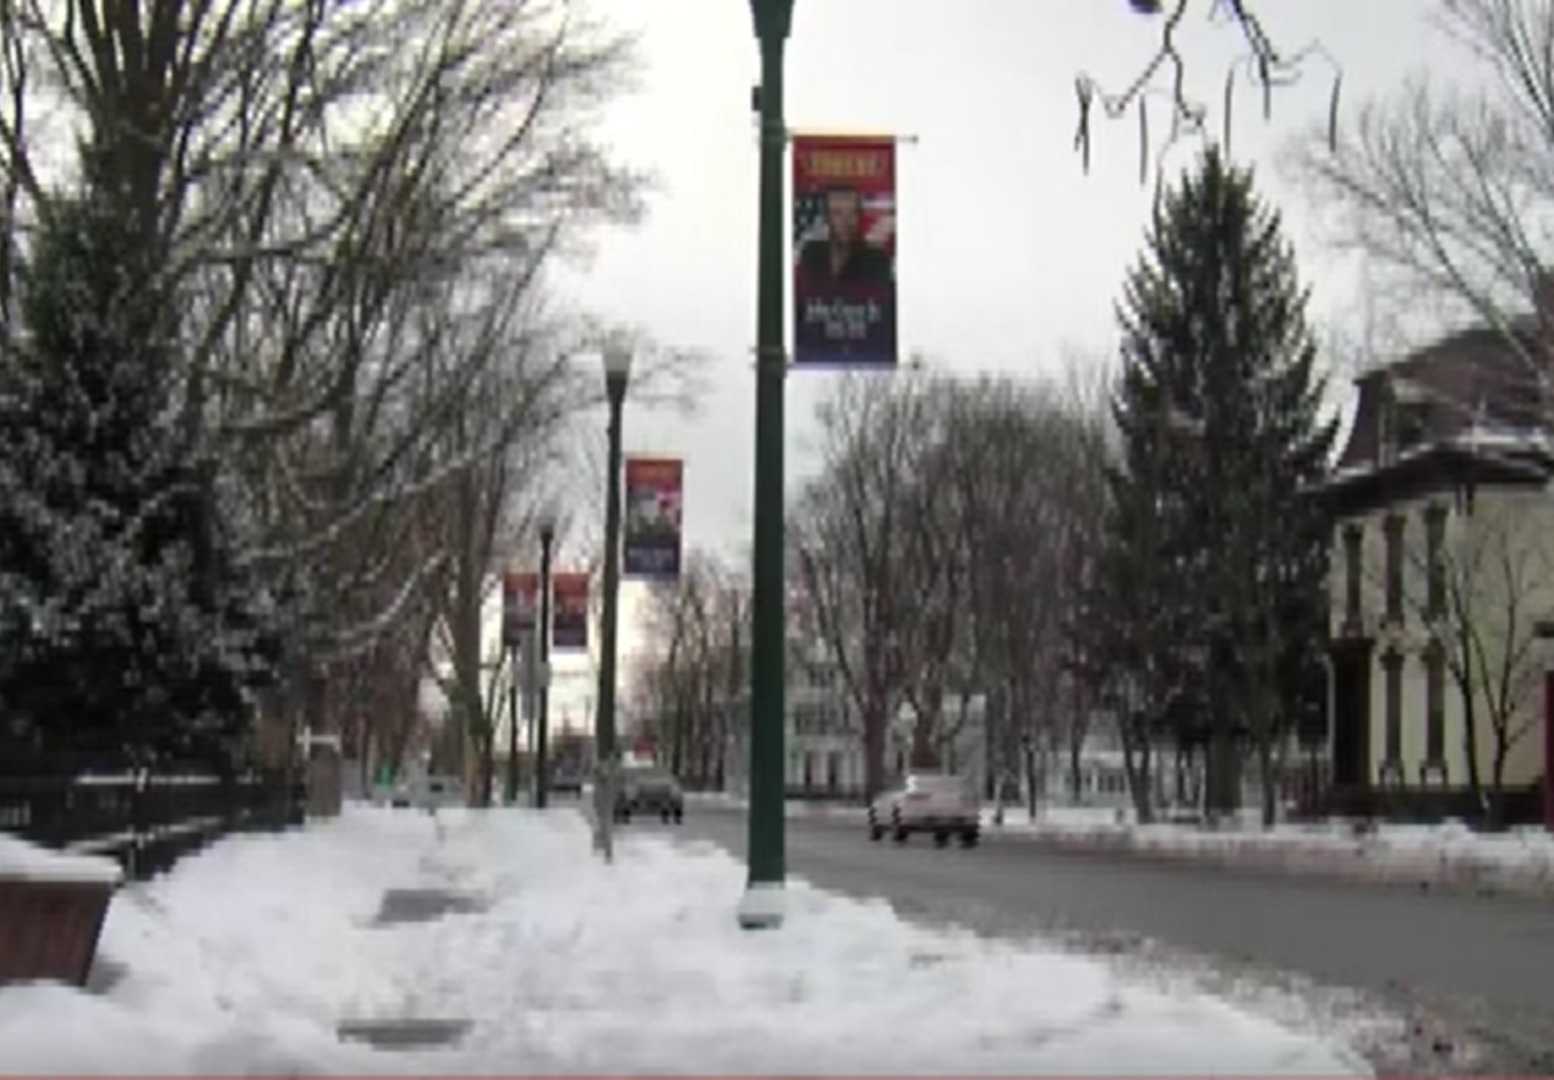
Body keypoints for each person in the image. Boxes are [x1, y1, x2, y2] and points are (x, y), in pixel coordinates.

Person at [798, 186, 892, 285]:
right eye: (837, 213)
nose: (846, 222)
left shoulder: (877, 260)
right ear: (827, 218)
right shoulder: (811, 254)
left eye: (853, 213)